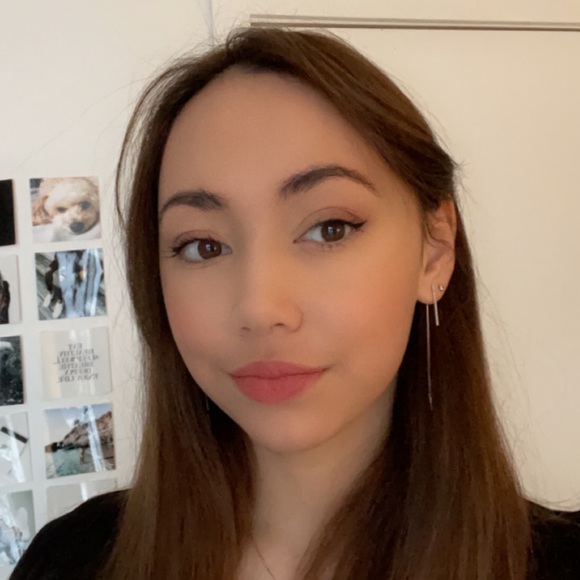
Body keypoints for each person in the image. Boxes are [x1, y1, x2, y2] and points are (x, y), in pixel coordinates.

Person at [11, 26, 580, 580]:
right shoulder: (72, 560)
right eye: (203, 245)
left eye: (330, 228)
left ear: (435, 250)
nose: (260, 307)